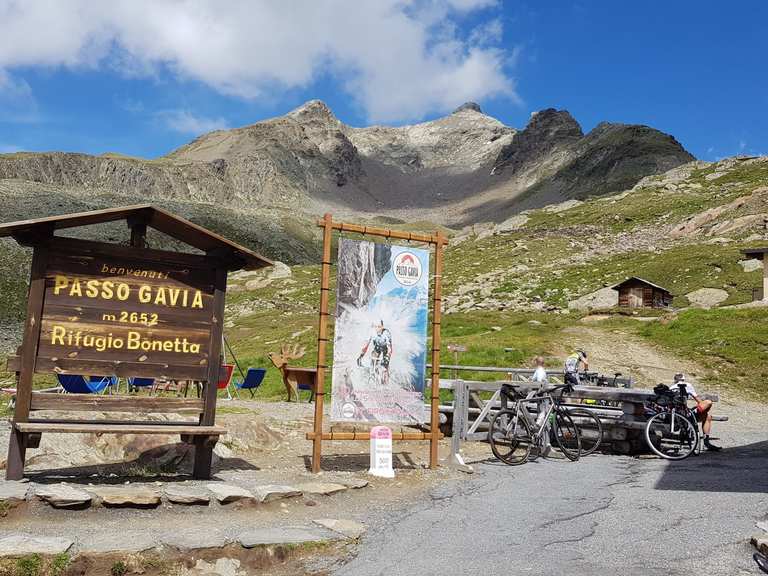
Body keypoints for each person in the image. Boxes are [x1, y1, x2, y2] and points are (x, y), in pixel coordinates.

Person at [673, 373, 721, 451]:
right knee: (708, 403)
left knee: (707, 416)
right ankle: (706, 443)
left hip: (675, 415)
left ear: (675, 380)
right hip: (686, 415)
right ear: (683, 379)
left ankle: (705, 442)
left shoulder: (672, 388)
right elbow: (698, 401)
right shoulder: (687, 385)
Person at [358, 320, 393, 385]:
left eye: (379, 327)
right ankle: (375, 379)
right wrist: (361, 356)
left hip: (385, 348)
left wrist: (387, 358)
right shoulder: (371, 332)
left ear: (382, 327)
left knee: (384, 366)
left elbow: (390, 349)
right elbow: (366, 346)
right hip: (377, 347)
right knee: (373, 361)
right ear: (373, 327)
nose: (378, 329)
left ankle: (385, 382)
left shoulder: (387, 333)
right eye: (376, 327)